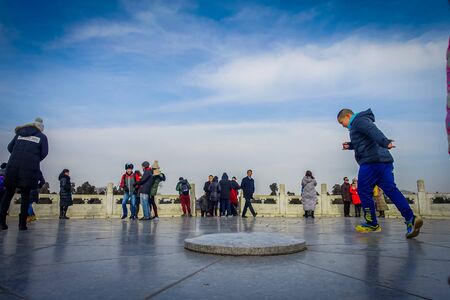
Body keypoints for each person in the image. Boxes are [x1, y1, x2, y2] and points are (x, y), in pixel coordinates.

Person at [338, 108, 423, 237]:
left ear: (348, 116)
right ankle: (410, 219)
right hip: (384, 161)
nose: (343, 126)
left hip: (371, 162)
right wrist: (350, 145)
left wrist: (385, 142)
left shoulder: (358, 121)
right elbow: (366, 140)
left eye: (342, 122)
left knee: (364, 191)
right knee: (391, 190)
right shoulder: (360, 122)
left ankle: (372, 223)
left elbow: (373, 131)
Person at [0, 118, 48, 231]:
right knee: (25, 196)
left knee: (8, 194)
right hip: (29, 168)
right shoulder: (42, 137)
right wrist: (33, 159)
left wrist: (18, 155)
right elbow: (44, 152)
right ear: (40, 128)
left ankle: (1, 222)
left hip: (12, 167)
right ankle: (22, 224)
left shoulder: (19, 134)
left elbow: (9, 147)